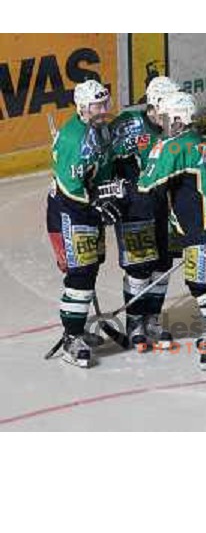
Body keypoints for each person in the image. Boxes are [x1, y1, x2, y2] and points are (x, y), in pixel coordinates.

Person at [138, 91, 206, 369]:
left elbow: (147, 187)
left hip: (204, 229)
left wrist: (118, 192)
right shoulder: (204, 144)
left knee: (202, 286)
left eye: (168, 117)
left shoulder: (174, 147)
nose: (163, 123)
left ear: (179, 120)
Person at [46, 79, 118, 368]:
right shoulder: (73, 140)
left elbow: (103, 168)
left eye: (105, 104)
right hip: (69, 210)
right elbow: (69, 186)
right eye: (97, 105)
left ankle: (76, 330)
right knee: (80, 274)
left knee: (91, 268)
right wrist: (97, 202)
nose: (103, 110)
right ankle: (71, 337)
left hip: (88, 207)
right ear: (82, 108)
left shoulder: (99, 129)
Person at [110, 76, 181, 350]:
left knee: (163, 264)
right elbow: (106, 161)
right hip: (134, 208)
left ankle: (152, 319)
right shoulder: (127, 126)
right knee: (139, 268)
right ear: (155, 105)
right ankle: (135, 321)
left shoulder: (175, 126)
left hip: (166, 205)